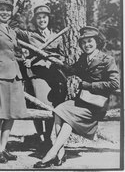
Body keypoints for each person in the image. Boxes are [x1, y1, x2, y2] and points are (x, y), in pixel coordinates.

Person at [33, 26, 120, 168]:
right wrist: (55, 61)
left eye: (90, 41)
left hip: (96, 105)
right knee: (58, 110)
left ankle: (51, 154)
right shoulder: (83, 58)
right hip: (82, 100)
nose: (87, 45)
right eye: (84, 42)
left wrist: (89, 85)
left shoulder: (107, 59)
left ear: (97, 41)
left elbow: (114, 84)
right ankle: (60, 154)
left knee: (67, 120)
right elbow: (72, 69)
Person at [0, 0, 44, 163]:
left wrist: (25, 61)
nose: (5, 12)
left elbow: (14, 54)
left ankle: (4, 147)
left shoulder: (12, 31)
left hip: (15, 76)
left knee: (12, 114)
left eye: (8, 10)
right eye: (1, 9)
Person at [23, 5, 67, 150]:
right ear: (35, 20)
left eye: (44, 17)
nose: (42, 20)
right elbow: (13, 29)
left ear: (49, 19)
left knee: (51, 106)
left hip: (53, 75)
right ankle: (41, 136)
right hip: (37, 75)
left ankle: (47, 137)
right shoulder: (30, 35)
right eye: (39, 18)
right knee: (40, 104)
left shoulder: (57, 35)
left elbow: (62, 55)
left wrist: (54, 57)